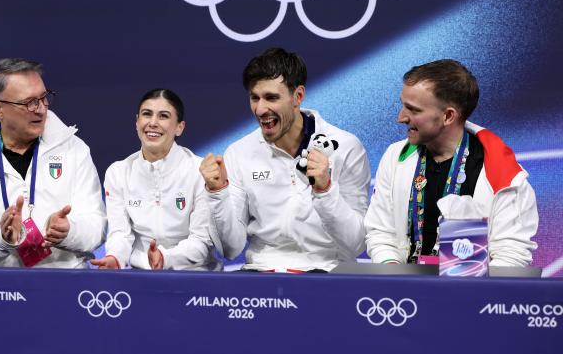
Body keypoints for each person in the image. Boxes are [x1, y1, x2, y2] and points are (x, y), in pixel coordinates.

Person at [200, 47, 370, 272]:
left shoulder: (346, 147)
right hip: (262, 278)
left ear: (297, 96)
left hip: (328, 275)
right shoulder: (238, 152)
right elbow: (231, 250)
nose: (260, 109)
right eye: (254, 98)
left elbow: (356, 244)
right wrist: (218, 193)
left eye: (271, 98)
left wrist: (325, 191)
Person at [365, 59, 538, 267]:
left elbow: (512, 255)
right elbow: (381, 232)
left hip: (471, 294)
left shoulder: (503, 175)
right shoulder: (395, 156)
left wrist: (461, 290)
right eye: (403, 105)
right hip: (404, 293)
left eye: (414, 110)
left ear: (448, 116)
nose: (401, 117)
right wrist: (393, 273)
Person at [0, 58, 106, 267]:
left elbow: (97, 227)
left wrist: (70, 231)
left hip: (66, 287)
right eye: (29, 102)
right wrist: (0, 239)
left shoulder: (74, 149)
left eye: (44, 98)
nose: (40, 109)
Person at [91, 89, 217, 270]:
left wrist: (165, 258)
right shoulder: (118, 172)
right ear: (136, 122)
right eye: (146, 114)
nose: (152, 123)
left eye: (163, 116)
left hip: (194, 277)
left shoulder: (199, 171)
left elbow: (201, 242)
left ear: (179, 127)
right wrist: (115, 258)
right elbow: (120, 233)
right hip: (141, 275)